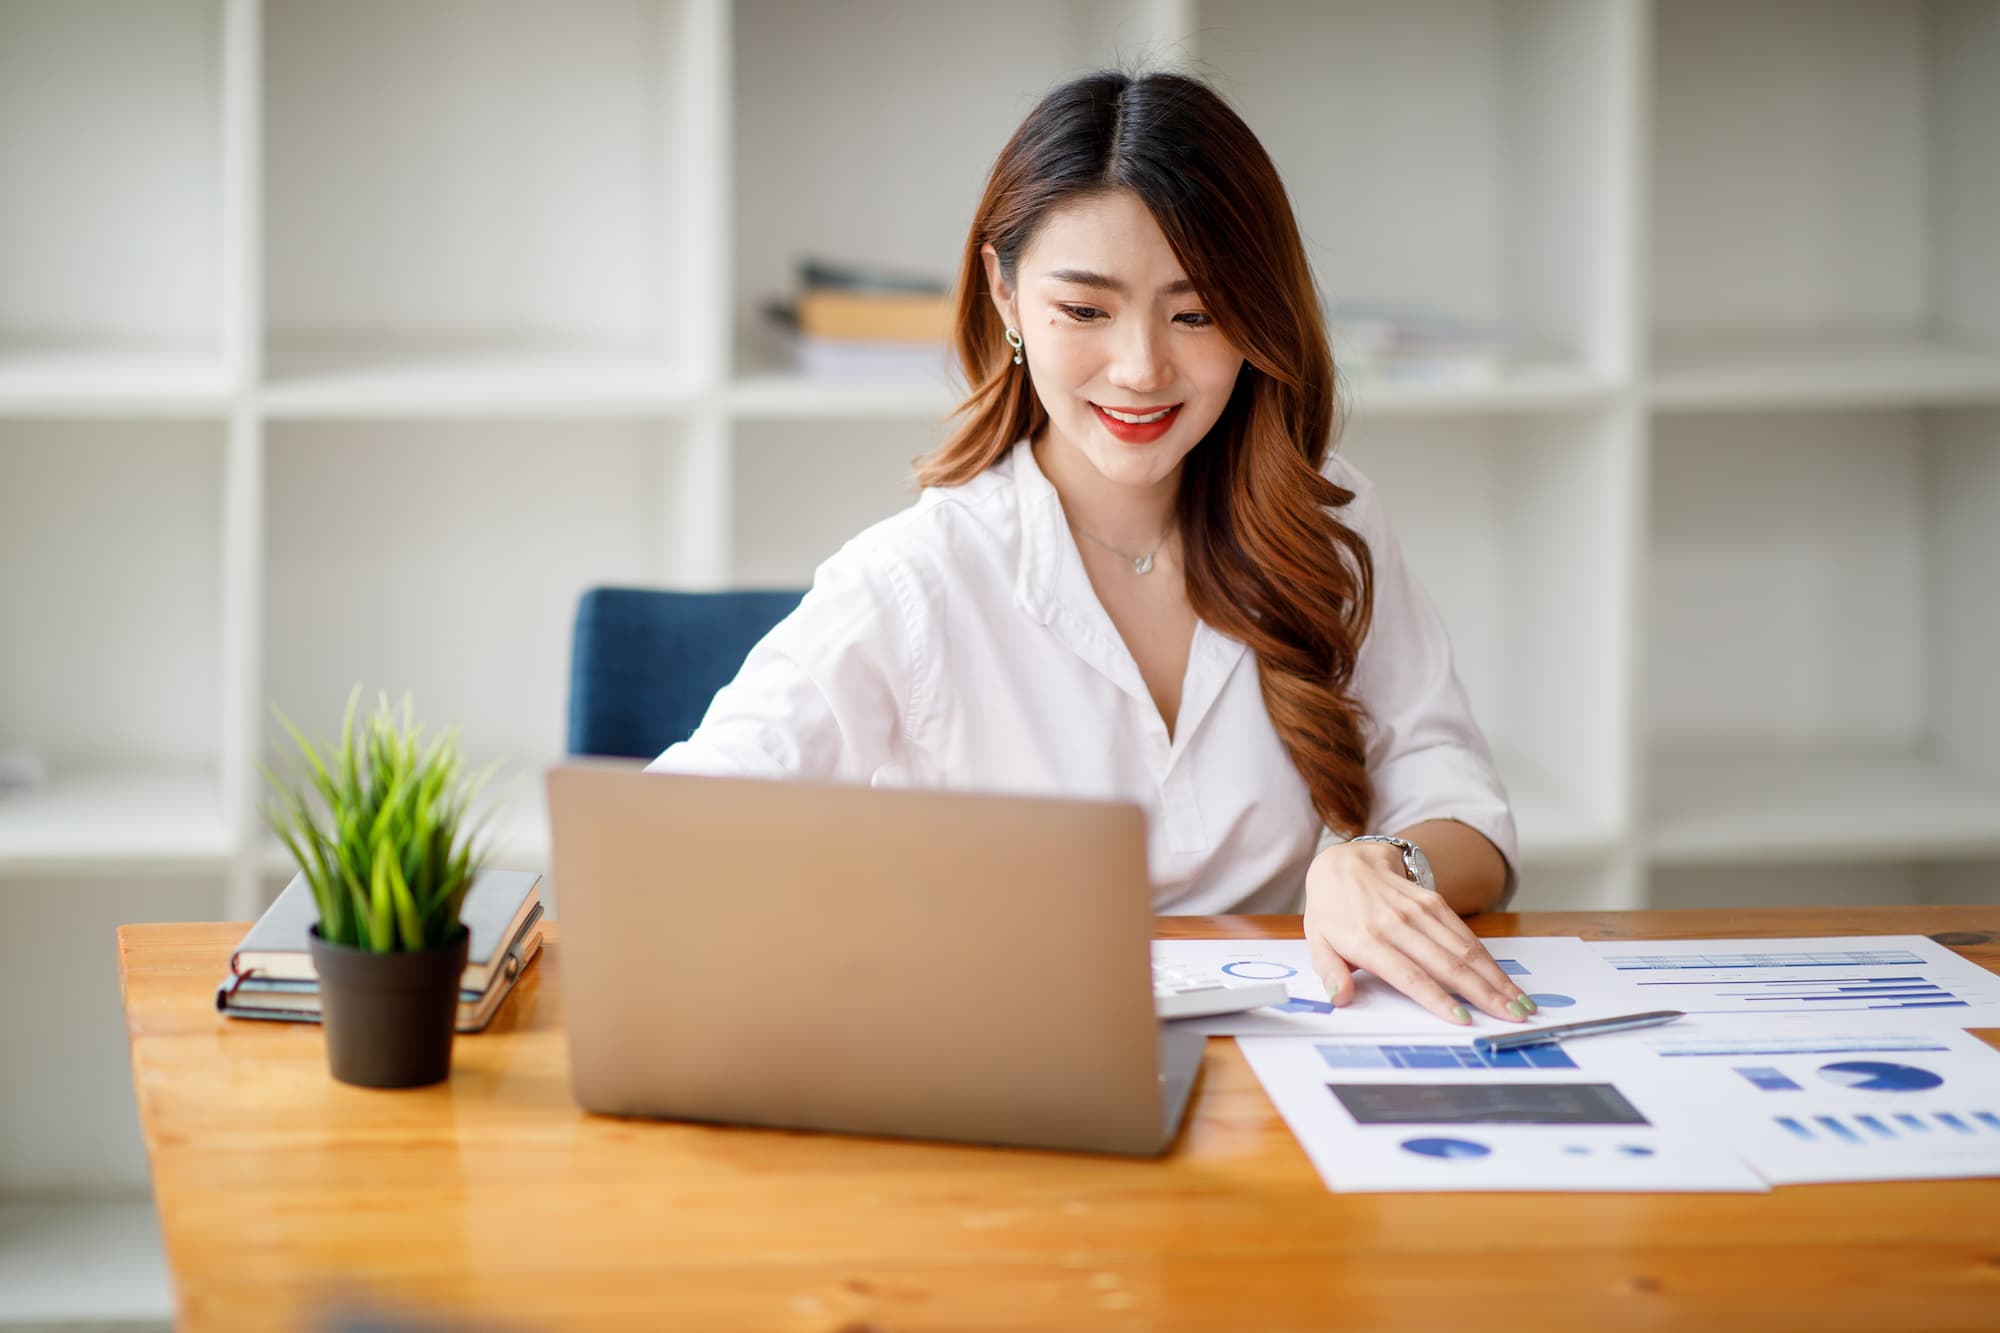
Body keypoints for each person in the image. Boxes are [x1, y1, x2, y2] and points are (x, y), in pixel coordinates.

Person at [650, 70, 1533, 1027]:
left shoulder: (1328, 514)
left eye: (1195, 313)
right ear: (1006, 294)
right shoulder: (915, 578)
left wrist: (1375, 865)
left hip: (1275, 1066)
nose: (1143, 368)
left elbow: (1466, 809)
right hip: (1005, 1065)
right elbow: (673, 836)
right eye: (1085, 310)